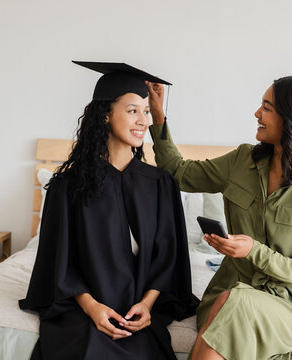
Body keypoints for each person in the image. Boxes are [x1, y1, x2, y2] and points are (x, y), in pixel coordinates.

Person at [147, 76, 292, 360]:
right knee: (235, 300)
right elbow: (179, 173)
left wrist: (253, 251)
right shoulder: (241, 160)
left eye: (267, 107)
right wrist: (158, 115)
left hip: (287, 306)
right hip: (224, 296)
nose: (257, 113)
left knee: (238, 303)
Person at [19, 62, 199, 360]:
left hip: (141, 303)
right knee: (85, 344)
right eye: (132, 110)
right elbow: (61, 261)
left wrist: (147, 304)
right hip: (84, 304)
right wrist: (92, 307)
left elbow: (169, 256)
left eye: (145, 110)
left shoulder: (159, 184)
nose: (142, 120)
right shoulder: (68, 186)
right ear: (105, 115)